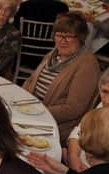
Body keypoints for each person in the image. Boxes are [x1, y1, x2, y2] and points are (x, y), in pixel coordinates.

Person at [23, 12, 100, 145]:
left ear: (81, 38)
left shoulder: (87, 64)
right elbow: (30, 80)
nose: (62, 41)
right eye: (59, 35)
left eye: (69, 36)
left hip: (54, 124)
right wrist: (21, 100)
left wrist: (38, 112)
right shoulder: (53, 54)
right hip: (31, 112)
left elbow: (74, 109)